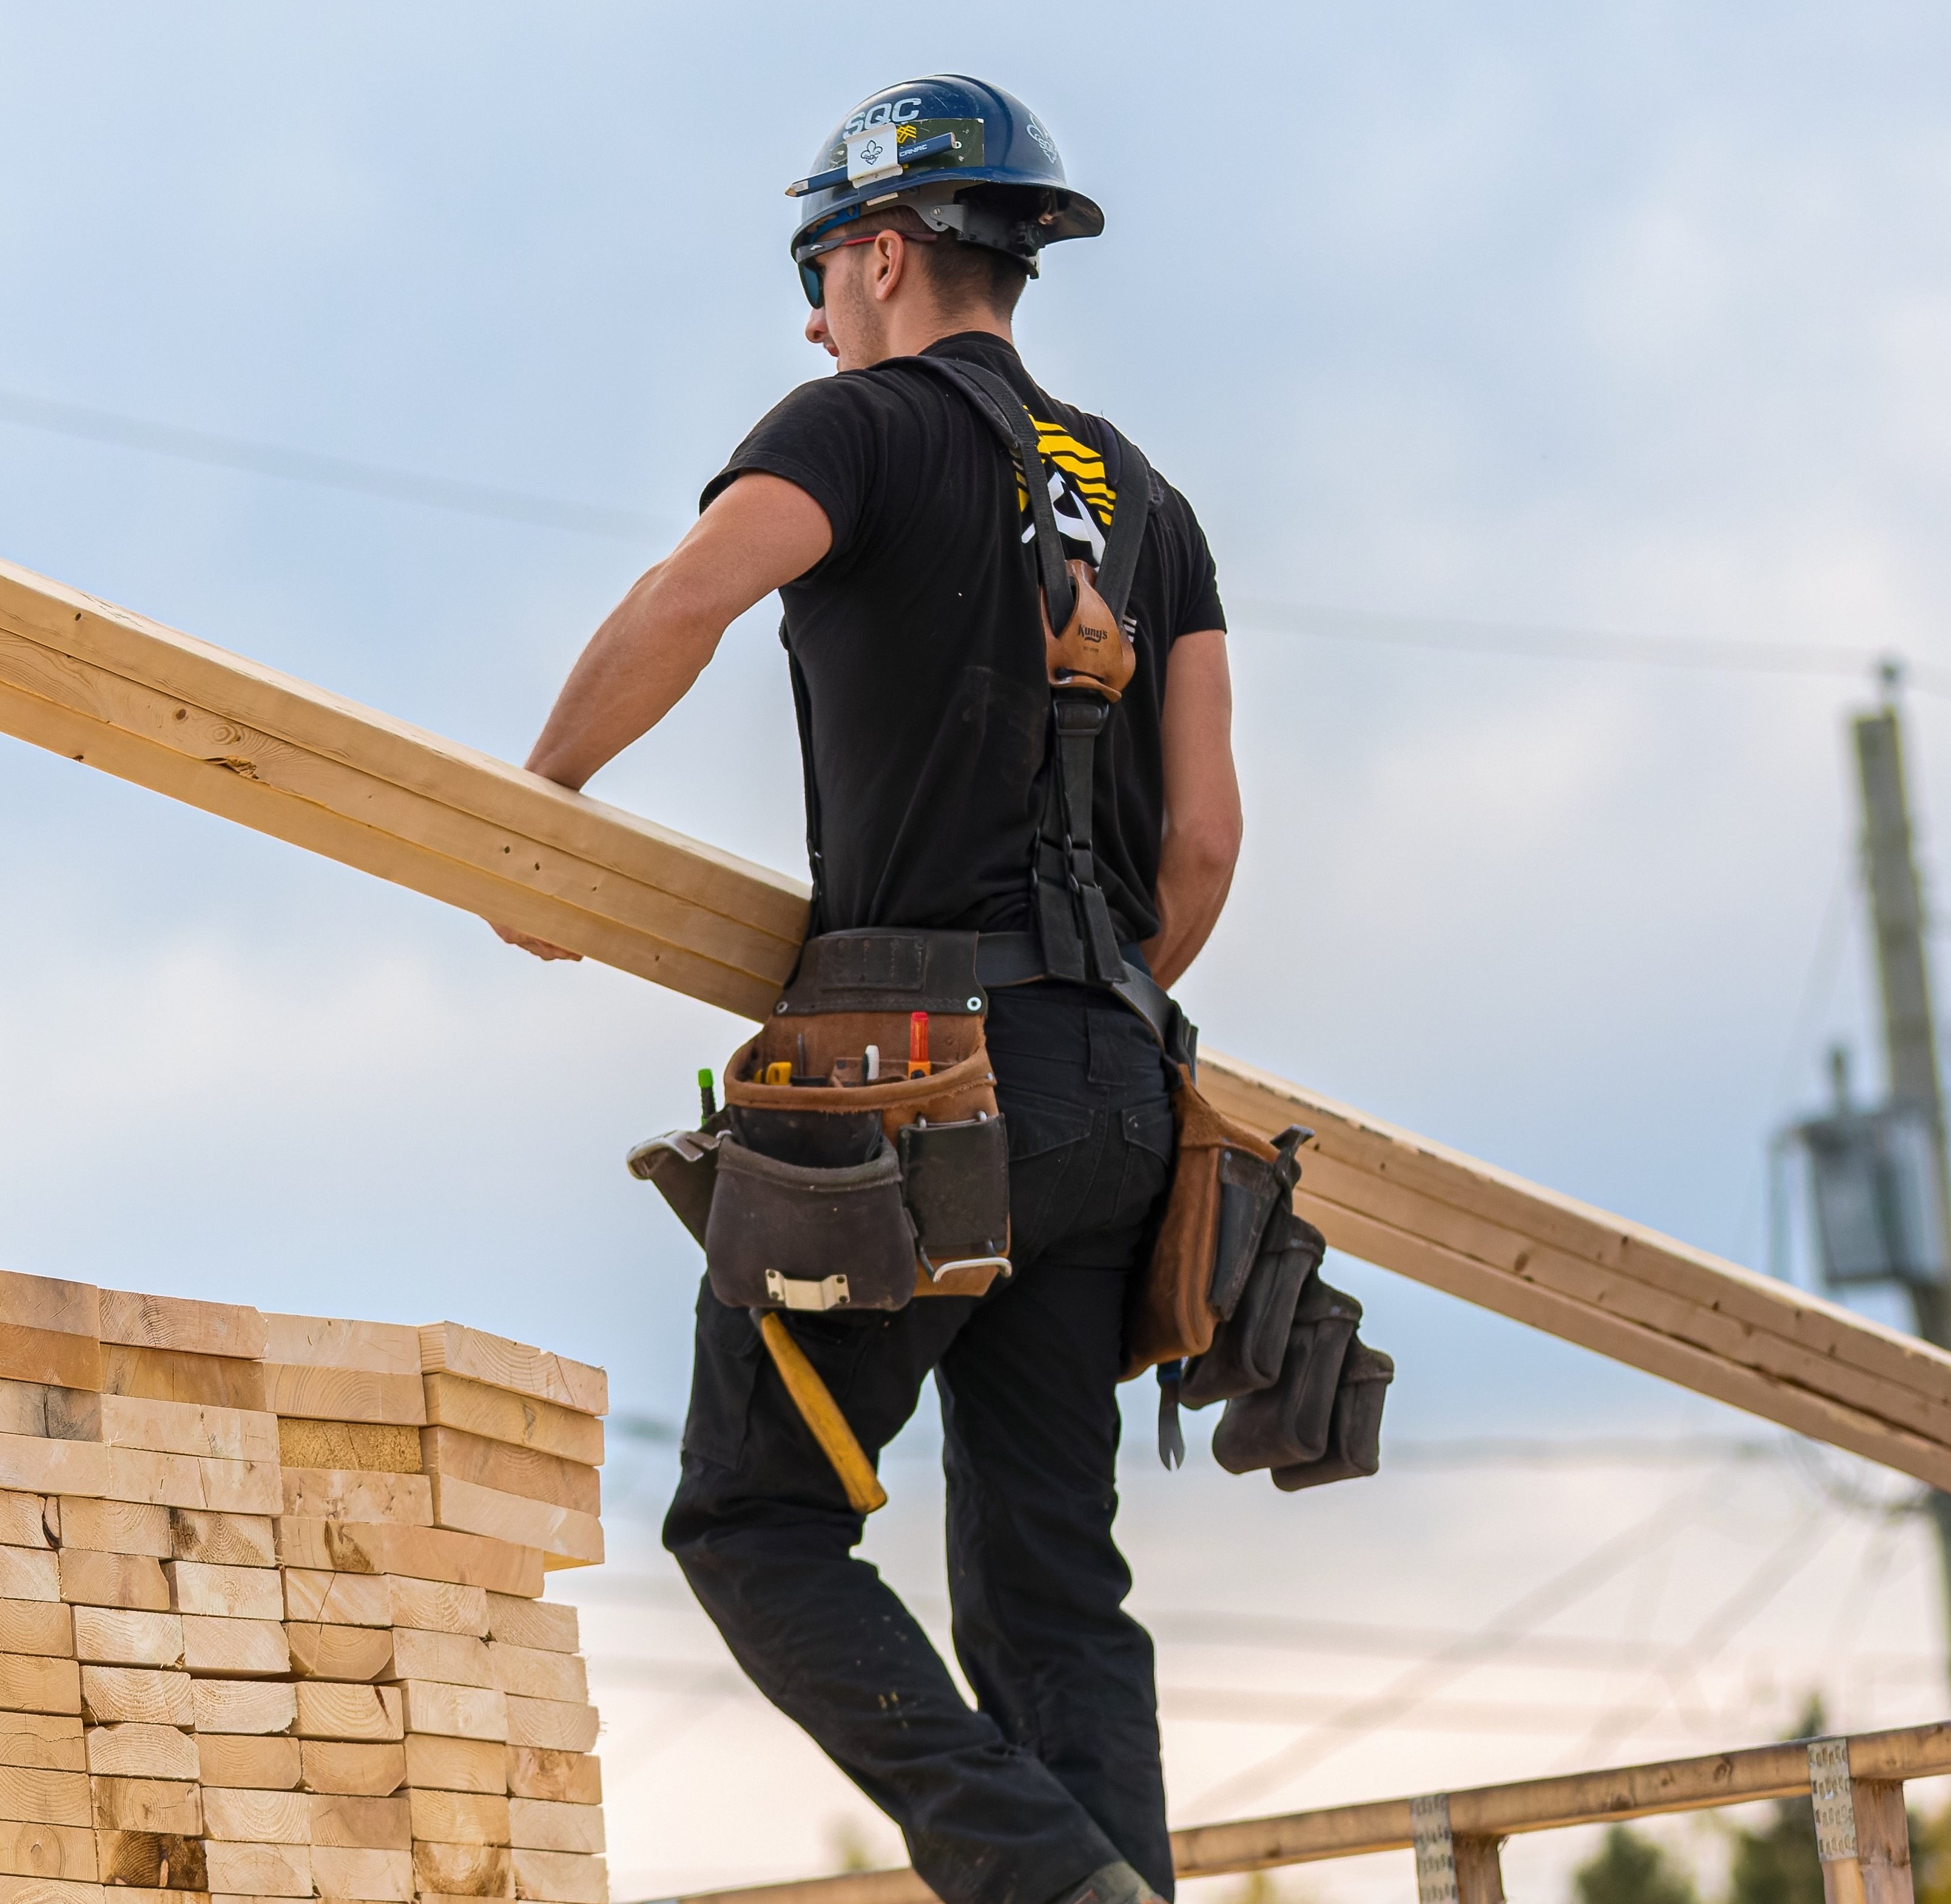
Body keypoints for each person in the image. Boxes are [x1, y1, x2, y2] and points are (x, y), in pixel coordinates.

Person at [496, 75, 1239, 1904]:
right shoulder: (1146, 500)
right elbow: (1204, 846)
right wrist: (1078, 1026)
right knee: (1055, 1577)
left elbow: (687, 597)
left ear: (889, 251)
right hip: (1115, 1072)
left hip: (911, 1066)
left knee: (753, 1515)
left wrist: (540, 808)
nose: (813, 311)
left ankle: (1040, 1878)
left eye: (818, 271)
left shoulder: (855, 425)